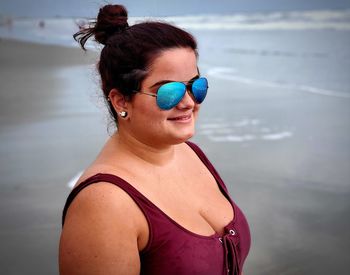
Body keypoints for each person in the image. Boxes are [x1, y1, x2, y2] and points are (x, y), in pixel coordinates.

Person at [59, 4, 250, 275]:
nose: (188, 102)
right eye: (168, 92)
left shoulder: (190, 153)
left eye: (196, 86)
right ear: (121, 100)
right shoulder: (105, 204)